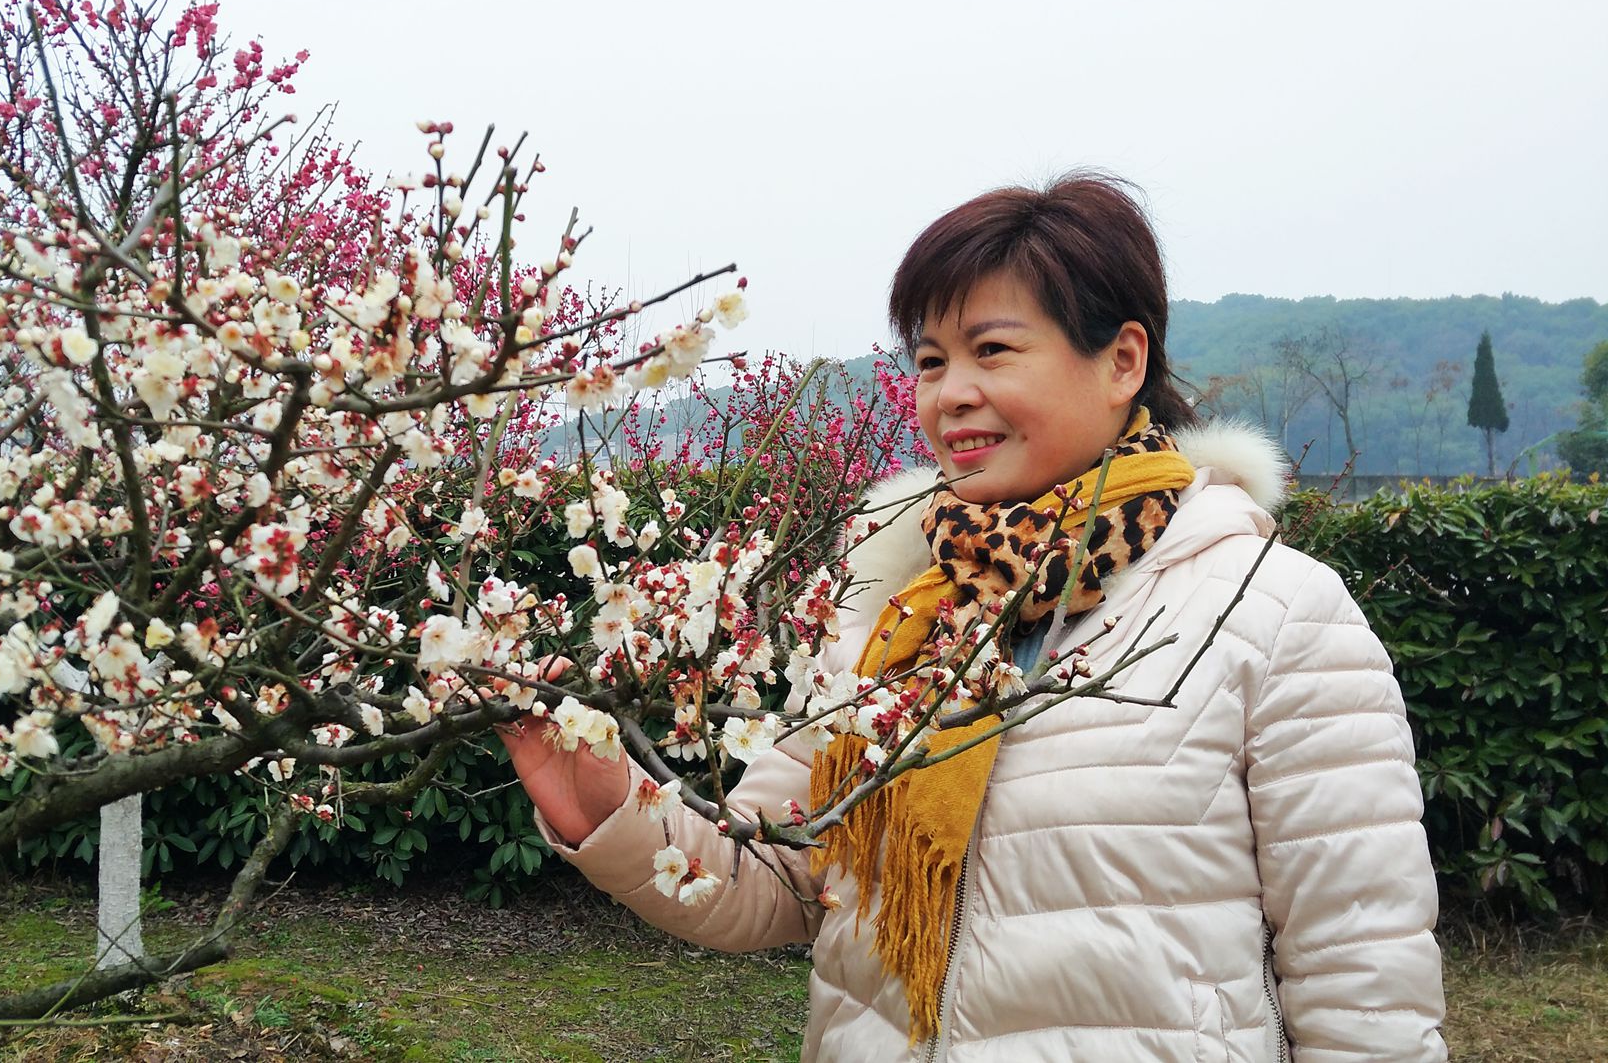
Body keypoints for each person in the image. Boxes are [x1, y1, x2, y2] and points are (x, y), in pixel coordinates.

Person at [501, 172, 1447, 1061]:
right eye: (929, 360)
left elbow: (1363, 981)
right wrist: (607, 802)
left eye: (992, 350)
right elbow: (777, 875)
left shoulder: (1274, 615)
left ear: (1122, 360)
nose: (950, 393)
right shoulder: (897, 613)